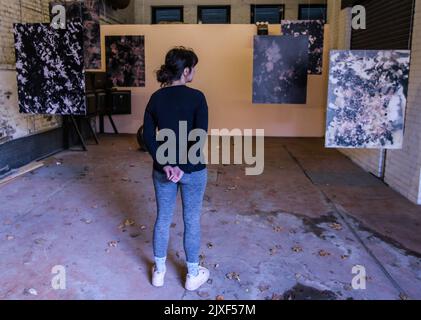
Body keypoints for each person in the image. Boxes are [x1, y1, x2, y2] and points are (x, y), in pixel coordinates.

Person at [142, 47, 209, 291]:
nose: (194, 73)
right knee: (192, 221)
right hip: (193, 170)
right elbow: (199, 136)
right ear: (187, 70)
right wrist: (182, 166)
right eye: (194, 68)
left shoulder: (156, 98)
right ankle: (192, 275)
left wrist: (167, 164)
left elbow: (147, 136)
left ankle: (159, 272)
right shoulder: (198, 97)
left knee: (163, 219)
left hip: (164, 171)